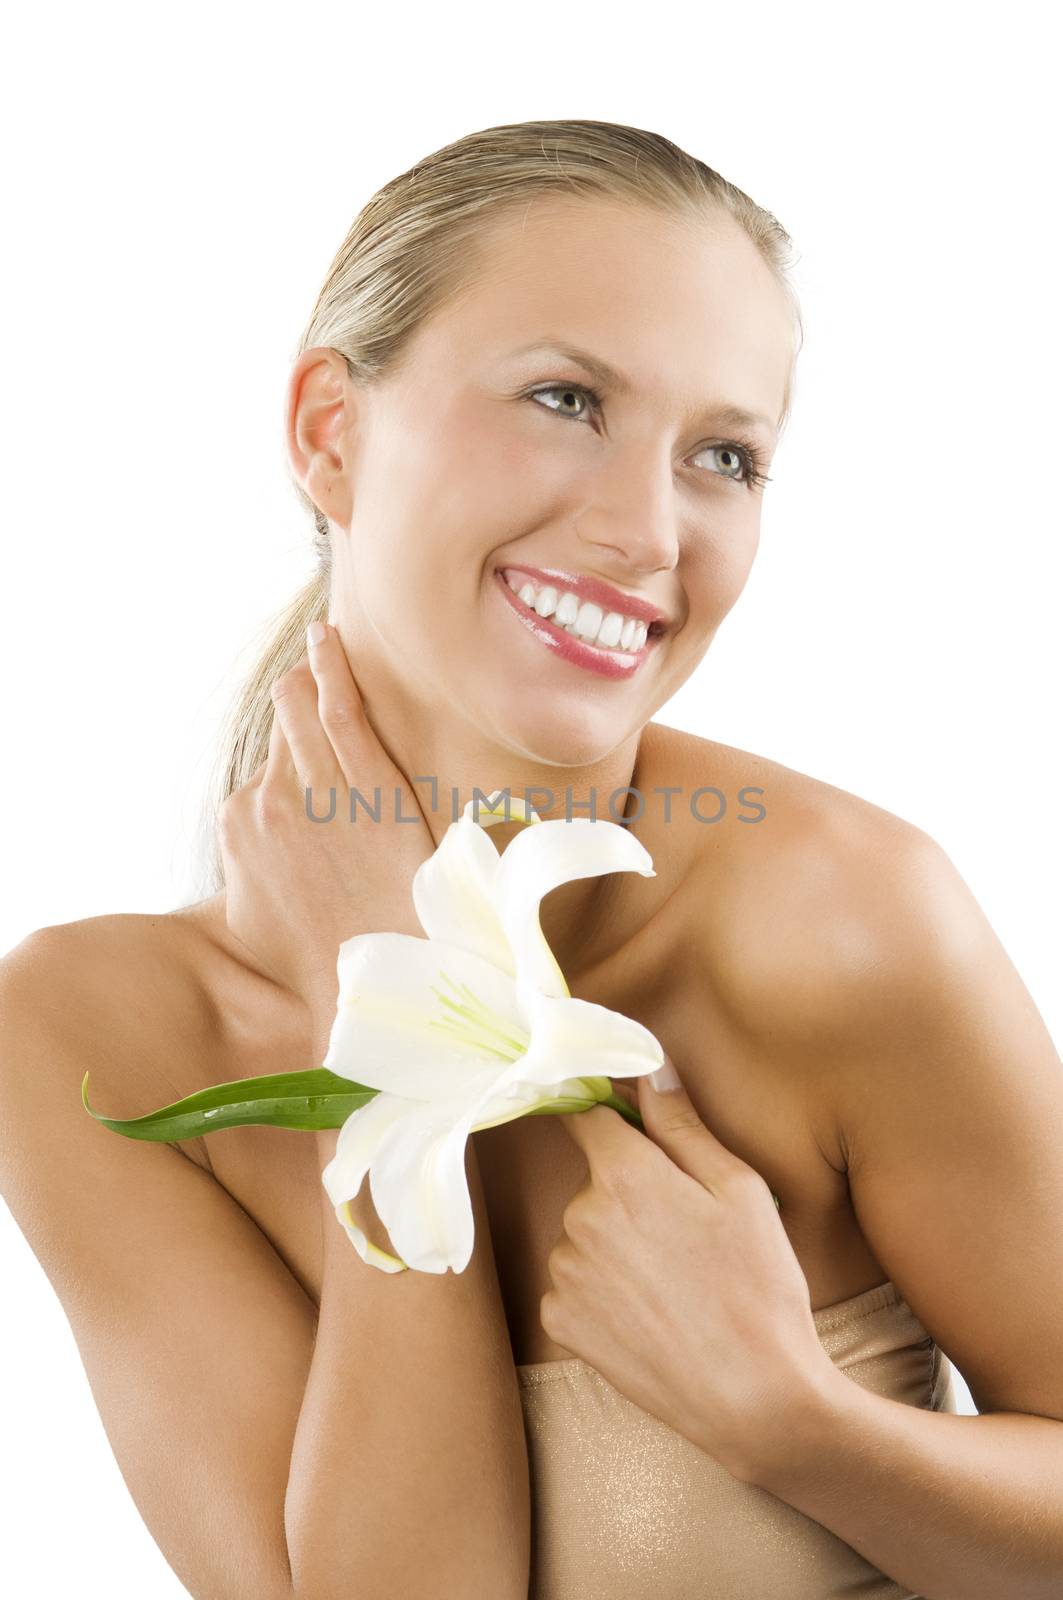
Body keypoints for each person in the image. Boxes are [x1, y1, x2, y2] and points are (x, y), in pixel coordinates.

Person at [3, 118, 1062, 1600]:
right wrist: (389, 1062)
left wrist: (797, 1425)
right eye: (567, 398)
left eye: (724, 456)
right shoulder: (87, 1030)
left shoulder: (833, 921)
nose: (647, 531)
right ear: (330, 431)